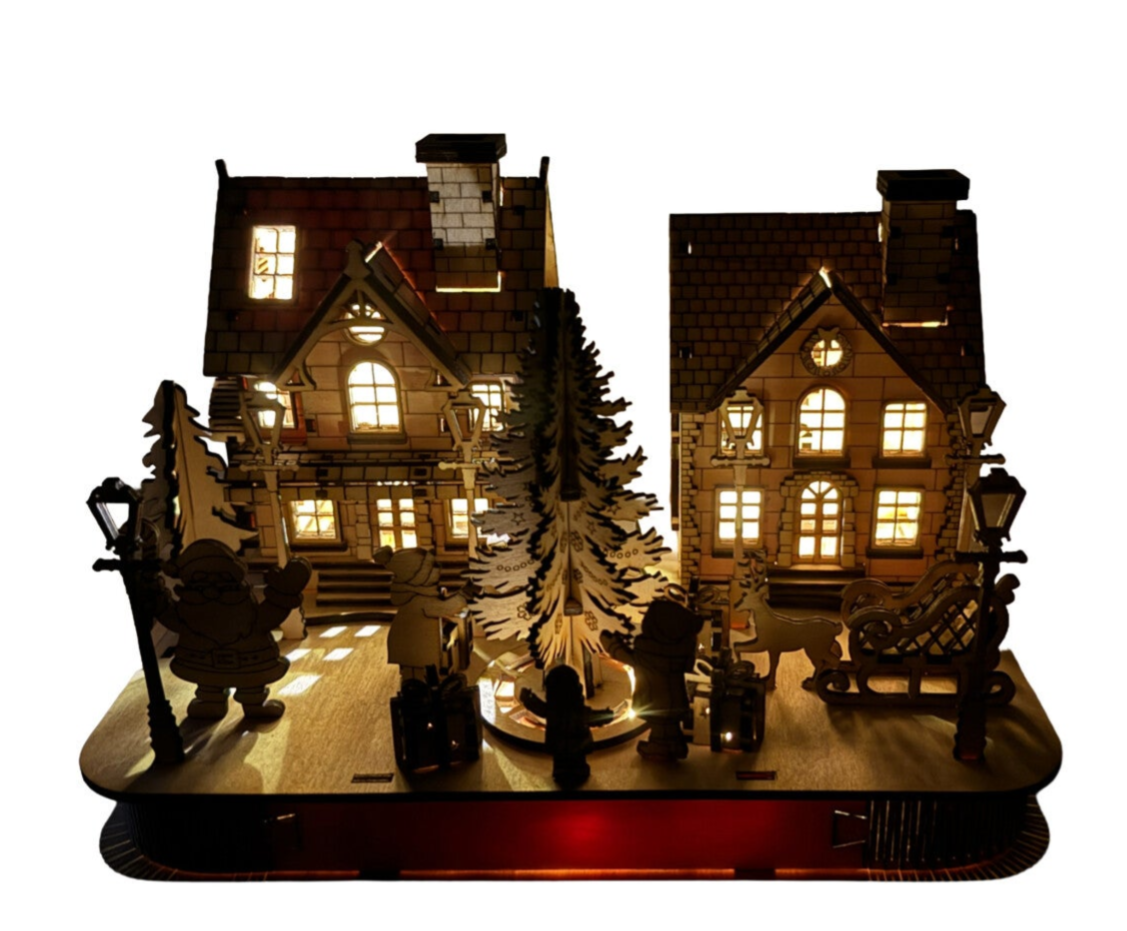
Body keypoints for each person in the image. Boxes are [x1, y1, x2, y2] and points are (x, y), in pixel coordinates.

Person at [600, 600, 702, 761]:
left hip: (655, 703)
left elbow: (624, 655)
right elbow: (688, 665)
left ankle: (658, 747)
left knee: (660, 729)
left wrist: (611, 644)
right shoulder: (682, 652)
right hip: (676, 700)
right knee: (672, 727)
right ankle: (676, 746)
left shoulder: (646, 654)